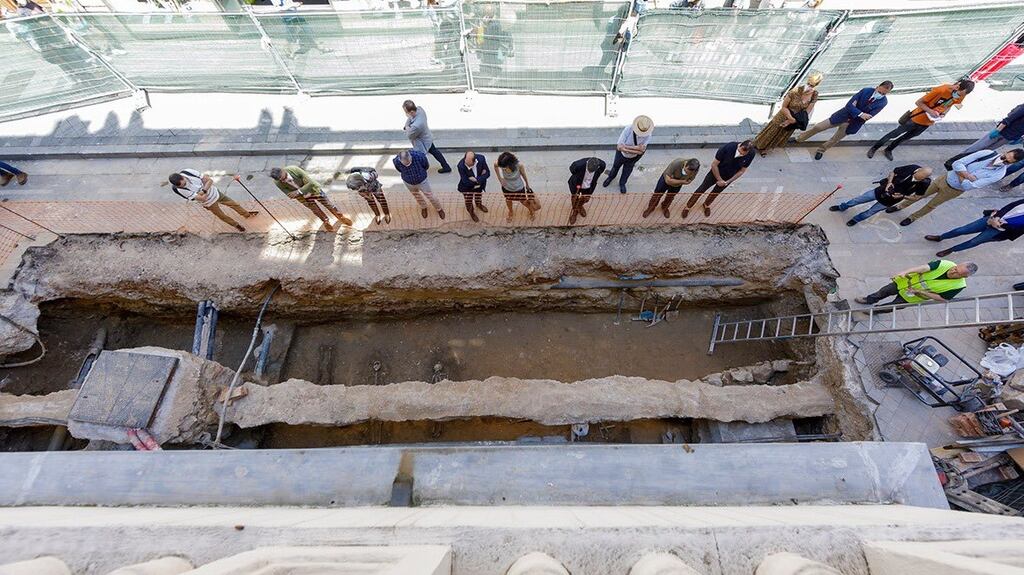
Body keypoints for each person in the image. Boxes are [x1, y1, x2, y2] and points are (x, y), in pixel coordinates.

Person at [887, 148, 1024, 227]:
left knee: (931, 205)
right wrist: (966, 175)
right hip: (944, 178)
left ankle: (913, 217)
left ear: (1012, 163)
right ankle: (900, 206)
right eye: (1004, 156)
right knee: (919, 194)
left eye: (1007, 161)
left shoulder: (999, 173)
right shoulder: (987, 153)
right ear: (1006, 151)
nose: (1003, 160)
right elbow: (958, 163)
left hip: (954, 190)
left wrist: (962, 173)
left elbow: (971, 186)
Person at [869, 79, 974, 160]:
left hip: (928, 122)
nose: (959, 96)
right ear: (958, 86)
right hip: (916, 118)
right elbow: (919, 102)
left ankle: (889, 149)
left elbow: (949, 106)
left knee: (905, 138)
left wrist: (943, 114)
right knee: (894, 133)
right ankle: (875, 148)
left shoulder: (961, 95)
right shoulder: (941, 90)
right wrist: (930, 111)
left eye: (962, 95)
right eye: (959, 93)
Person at [797, 80, 892, 160]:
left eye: (884, 94)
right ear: (877, 87)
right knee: (819, 126)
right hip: (842, 116)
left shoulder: (883, 102)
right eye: (880, 92)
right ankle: (800, 138)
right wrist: (861, 113)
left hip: (852, 124)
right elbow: (849, 105)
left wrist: (856, 110)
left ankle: (821, 150)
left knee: (835, 139)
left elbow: (869, 115)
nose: (881, 94)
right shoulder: (865, 91)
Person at [828, 165, 931, 226]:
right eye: (915, 177)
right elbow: (893, 172)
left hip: (890, 201)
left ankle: (855, 220)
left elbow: (917, 197)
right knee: (857, 200)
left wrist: (903, 196)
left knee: (870, 212)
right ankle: (842, 207)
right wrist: (890, 182)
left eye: (918, 179)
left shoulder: (924, 183)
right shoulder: (913, 168)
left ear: (924, 178)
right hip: (880, 190)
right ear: (917, 170)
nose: (915, 179)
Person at [681, 140, 755, 219]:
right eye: (740, 152)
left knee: (715, 193)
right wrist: (719, 179)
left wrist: (728, 181)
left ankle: (706, 205)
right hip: (714, 173)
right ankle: (687, 207)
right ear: (740, 146)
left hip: (728, 178)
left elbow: (742, 171)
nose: (741, 154)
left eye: (744, 154)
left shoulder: (751, 154)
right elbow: (714, 165)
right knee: (701, 189)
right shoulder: (727, 148)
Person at [753, 72, 821, 157]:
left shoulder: (814, 94)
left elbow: (807, 111)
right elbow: (784, 107)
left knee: (781, 135)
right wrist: (790, 118)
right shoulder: (795, 91)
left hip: (796, 119)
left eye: (812, 86)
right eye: (809, 84)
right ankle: (759, 145)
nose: (809, 87)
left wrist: (792, 120)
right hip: (783, 116)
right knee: (771, 132)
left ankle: (766, 148)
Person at [926, 198, 1024, 256]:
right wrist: (996, 217)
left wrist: (1000, 224)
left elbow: (1019, 230)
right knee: (961, 230)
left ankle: (951, 250)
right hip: (992, 218)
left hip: (1000, 231)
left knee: (974, 242)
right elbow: (1010, 206)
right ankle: (941, 237)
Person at [168, 169, 257, 232]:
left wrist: (202, 191)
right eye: (182, 186)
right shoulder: (180, 190)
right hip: (209, 203)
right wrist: (205, 186)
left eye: (185, 183)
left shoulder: (188, 172)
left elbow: (210, 180)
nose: (185, 185)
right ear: (178, 186)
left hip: (217, 193)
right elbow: (203, 198)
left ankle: (247, 214)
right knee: (222, 216)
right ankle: (237, 225)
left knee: (234, 204)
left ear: (182, 177)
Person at [855, 260, 977, 306]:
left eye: (957, 273)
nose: (953, 271)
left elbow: (942, 298)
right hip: (904, 283)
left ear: (965, 276)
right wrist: (905, 272)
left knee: (892, 307)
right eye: (955, 268)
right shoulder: (946, 264)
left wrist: (919, 291)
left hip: (912, 297)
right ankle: (869, 300)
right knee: (883, 291)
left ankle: (875, 311)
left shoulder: (959, 286)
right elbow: (924, 268)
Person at [270, 166, 353, 230]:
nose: (283, 181)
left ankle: (340, 216)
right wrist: (303, 193)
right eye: (281, 180)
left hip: (313, 190)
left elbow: (311, 183)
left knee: (328, 204)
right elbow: (289, 195)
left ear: (283, 171)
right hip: (303, 198)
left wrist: (299, 192)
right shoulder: (277, 182)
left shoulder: (294, 169)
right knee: (316, 210)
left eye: (284, 178)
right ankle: (325, 221)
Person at [603, 115, 654, 193]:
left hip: (633, 158)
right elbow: (619, 147)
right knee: (615, 167)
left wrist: (626, 148)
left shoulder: (648, 135)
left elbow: (641, 151)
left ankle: (622, 183)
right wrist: (637, 148)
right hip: (621, 155)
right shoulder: (628, 129)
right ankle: (610, 178)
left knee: (627, 172)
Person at [394, 150, 446, 220]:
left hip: (422, 181)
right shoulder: (396, 161)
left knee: (430, 196)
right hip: (408, 182)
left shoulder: (420, 156)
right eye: (405, 164)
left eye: (408, 163)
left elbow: (426, 166)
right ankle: (423, 207)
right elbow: (399, 170)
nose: (407, 165)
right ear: (400, 160)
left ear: (410, 157)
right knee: (416, 195)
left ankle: (439, 209)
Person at [403, 100, 451, 174]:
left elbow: (410, 135)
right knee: (435, 152)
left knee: (420, 156)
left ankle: (421, 171)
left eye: (406, 112)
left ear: (412, 112)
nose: (406, 114)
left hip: (422, 142)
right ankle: (446, 166)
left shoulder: (417, 125)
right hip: (427, 137)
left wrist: (406, 127)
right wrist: (408, 126)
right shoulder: (419, 109)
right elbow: (409, 119)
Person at [495, 152, 540, 222]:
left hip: (518, 188)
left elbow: (524, 175)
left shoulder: (519, 166)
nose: (503, 168)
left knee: (524, 201)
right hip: (506, 188)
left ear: (510, 164)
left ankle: (531, 211)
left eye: (504, 166)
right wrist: (500, 179)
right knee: (508, 200)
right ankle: (510, 212)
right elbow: (495, 166)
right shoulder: (502, 164)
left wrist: (527, 185)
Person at [567, 156, 606, 225]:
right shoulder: (578, 165)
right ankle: (575, 211)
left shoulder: (602, 165)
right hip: (577, 186)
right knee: (575, 199)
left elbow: (601, 169)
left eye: (592, 171)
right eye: (589, 170)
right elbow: (572, 170)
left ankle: (580, 206)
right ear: (587, 164)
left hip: (589, 187)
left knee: (586, 199)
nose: (590, 172)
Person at [457, 151, 490, 222]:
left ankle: (479, 205)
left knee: (478, 196)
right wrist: (481, 177)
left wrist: (476, 179)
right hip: (467, 188)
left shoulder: (481, 159)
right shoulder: (461, 166)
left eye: (470, 165)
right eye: (466, 164)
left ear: (475, 161)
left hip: (479, 185)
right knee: (468, 201)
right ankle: (472, 213)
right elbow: (465, 181)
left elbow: (487, 173)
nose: (467, 166)